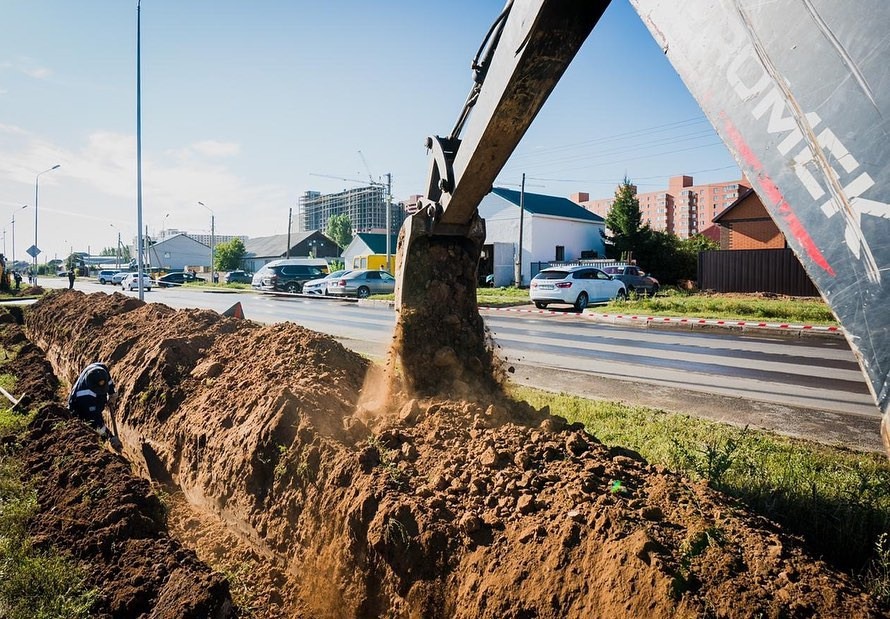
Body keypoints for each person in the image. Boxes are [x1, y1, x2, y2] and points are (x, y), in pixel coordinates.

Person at [68, 362, 122, 449]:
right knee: (95, 429)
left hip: (94, 397)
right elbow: (96, 422)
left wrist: (112, 393)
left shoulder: (101, 369)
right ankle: (101, 447)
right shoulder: (85, 397)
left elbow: (108, 381)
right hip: (79, 409)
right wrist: (110, 437)